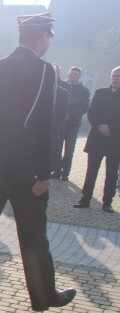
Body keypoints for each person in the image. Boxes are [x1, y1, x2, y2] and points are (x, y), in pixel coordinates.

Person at [0, 13, 77, 313]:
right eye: (49, 38)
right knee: (33, 233)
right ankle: (43, 295)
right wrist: (43, 171)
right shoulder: (42, 69)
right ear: (44, 37)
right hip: (23, 167)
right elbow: (38, 121)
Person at [73, 66, 120, 212]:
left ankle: (107, 202)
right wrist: (101, 127)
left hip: (115, 139)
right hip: (97, 137)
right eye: (113, 76)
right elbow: (91, 112)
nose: (115, 79)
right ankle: (85, 198)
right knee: (91, 171)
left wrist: (111, 128)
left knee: (111, 173)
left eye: (118, 76)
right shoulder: (100, 93)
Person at [58, 66, 91, 181]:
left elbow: (84, 107)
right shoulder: (61, 86)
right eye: (71, 74)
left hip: (73, 124)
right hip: (59, 122)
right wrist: (62, 113)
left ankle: (65, 173)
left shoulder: (84, 91)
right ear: (68, 74)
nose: (73, 76)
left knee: (69, 150)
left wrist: (70, 114)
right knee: (57, 148)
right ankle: (56, 170)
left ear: (79, 76)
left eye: (75, 74)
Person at [49, 64, 70, 179]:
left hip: (53, 128)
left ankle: (49, 172)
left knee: (52, 151)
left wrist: (50, 123)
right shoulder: (36, 89)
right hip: (37, 129)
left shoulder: (63, 92)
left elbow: (61, 112)